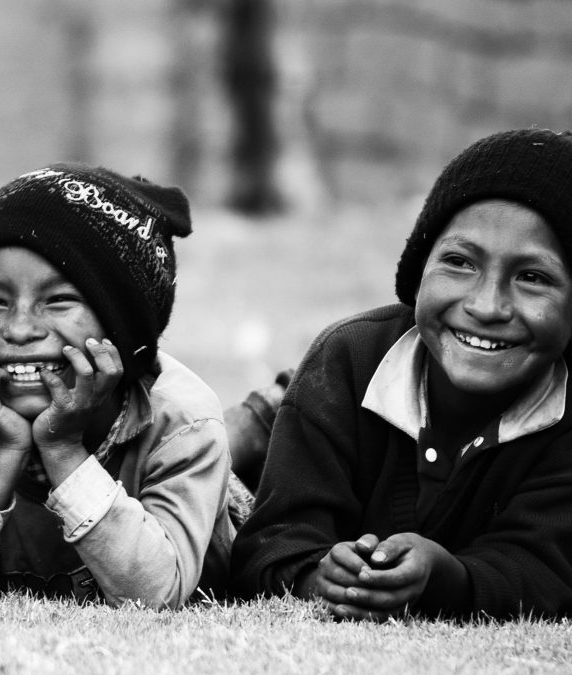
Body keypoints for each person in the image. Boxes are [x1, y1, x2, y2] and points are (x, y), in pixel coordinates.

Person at [229, 128, 572, 620]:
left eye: (532, 277)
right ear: (418, 271)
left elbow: (545, 574)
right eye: (459, 262)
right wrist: (314, 574)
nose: (486, 305)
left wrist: (445, 576)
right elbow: (272, 541)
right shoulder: (348, 360)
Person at [0, 163, 251, 608]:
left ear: (122, 328)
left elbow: (152, 595)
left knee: (255, 438)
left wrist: (62, 449)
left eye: (58, 301)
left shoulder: (183, 424)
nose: (19, 329)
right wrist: (5, 456)